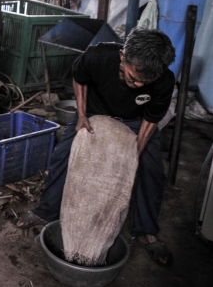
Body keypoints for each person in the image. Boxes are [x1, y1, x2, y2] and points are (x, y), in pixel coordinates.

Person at [15, 27, 176, 266]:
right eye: (133, 77)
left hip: (135, 122)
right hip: (95, 111)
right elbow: (80, 79)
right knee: (63, 155)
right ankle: (45, 212)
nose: (139, 84)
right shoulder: (98, 55)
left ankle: (146, 230)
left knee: (151, 171)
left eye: (146, 82)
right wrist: (81, 116)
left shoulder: (164, 80)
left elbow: (151, 120)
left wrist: (134, 153)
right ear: (123, 56)